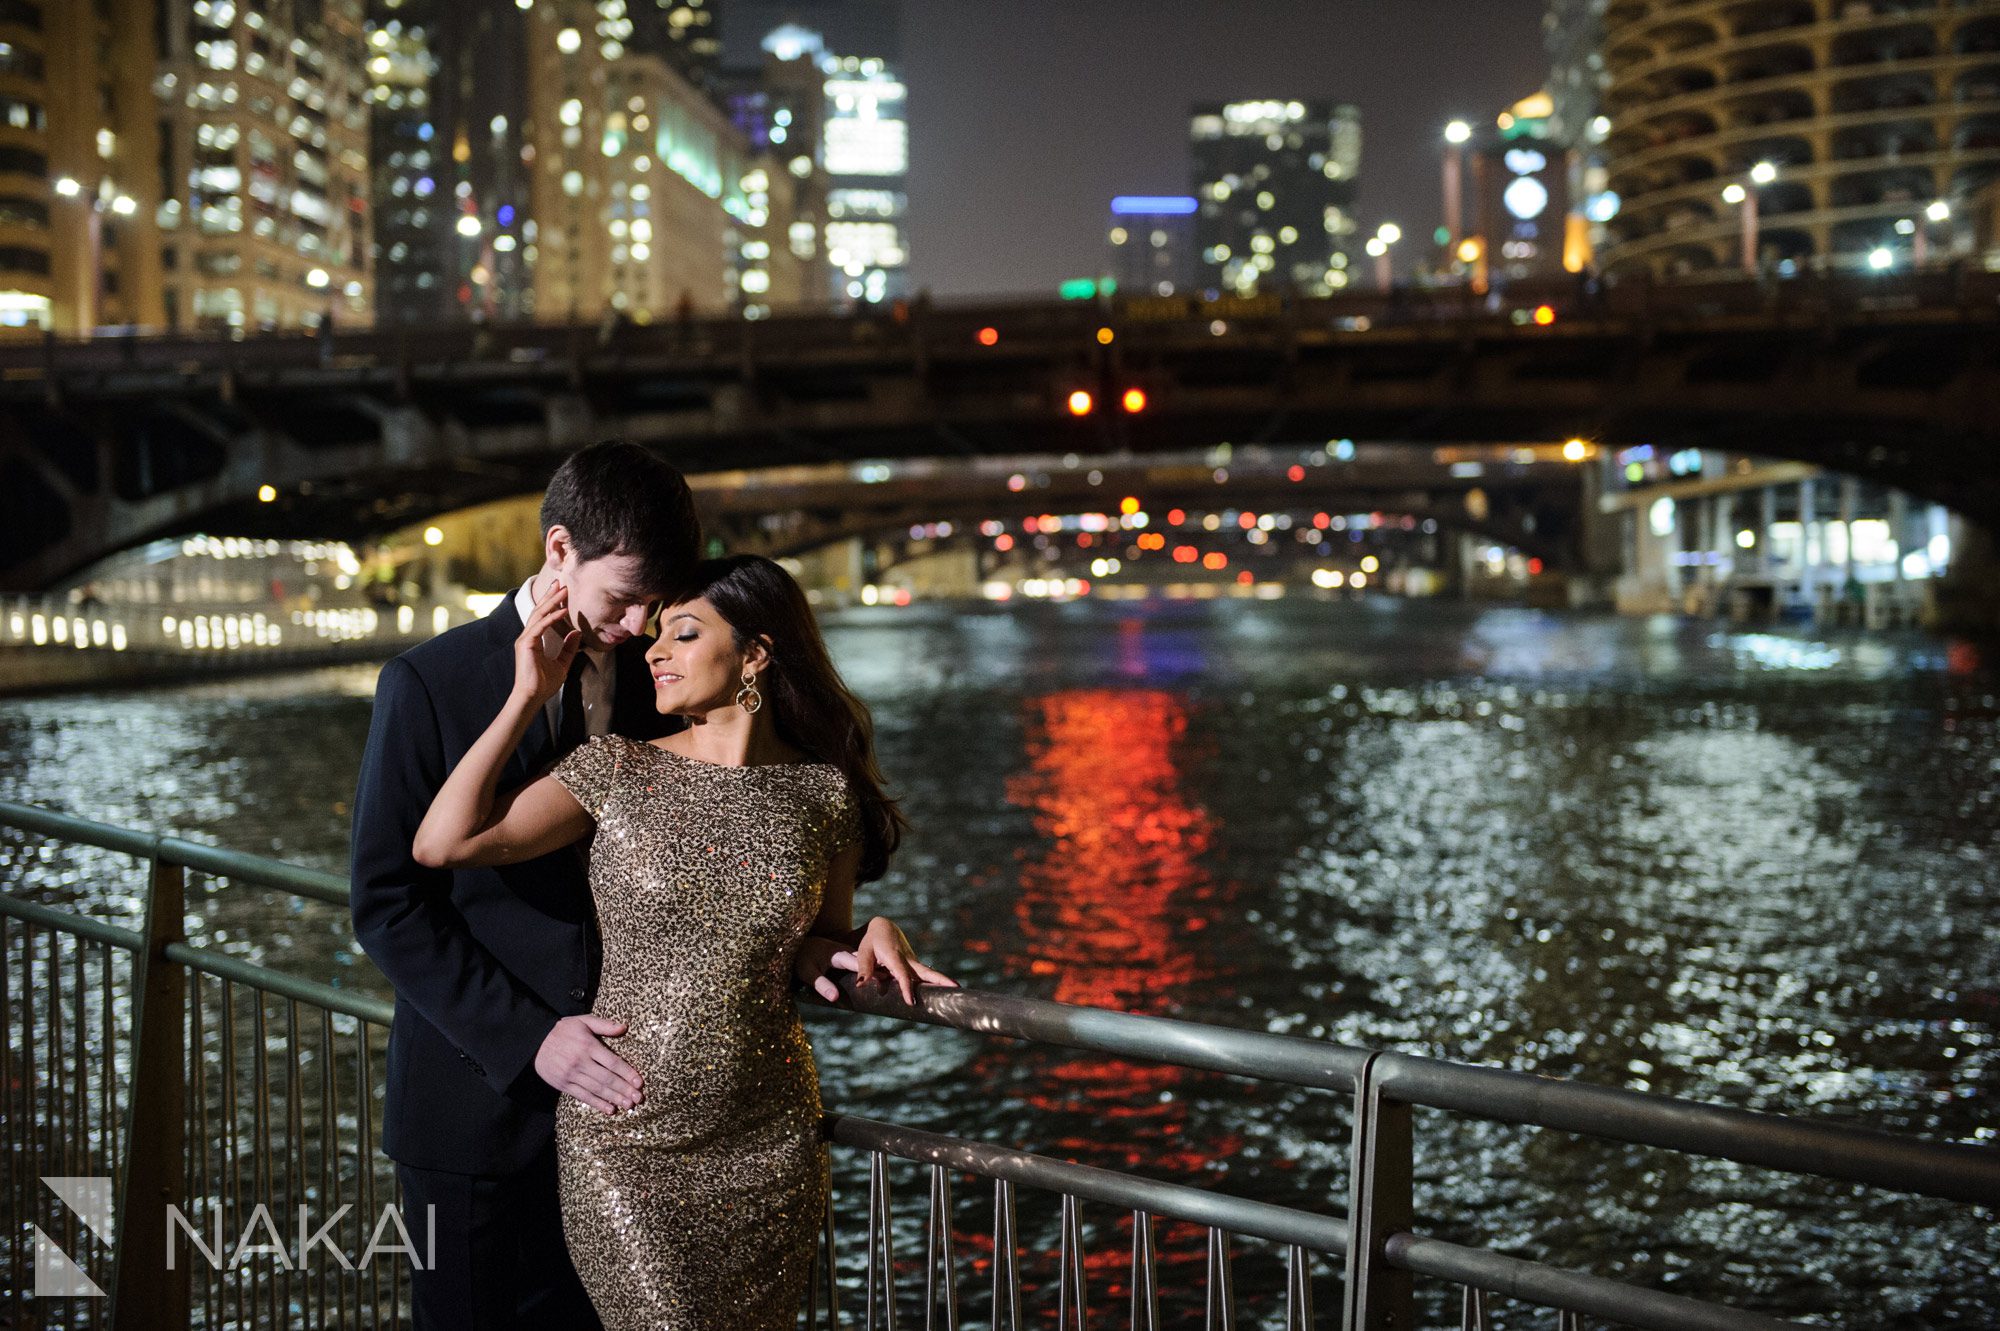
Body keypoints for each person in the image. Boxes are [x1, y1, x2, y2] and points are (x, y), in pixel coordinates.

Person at [411, 553, 954, 1329]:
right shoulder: (616, 768)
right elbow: (442, 842)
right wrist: (528, 693)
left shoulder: (825, 795)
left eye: (684, 634)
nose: (654, 650)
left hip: (768, 1143)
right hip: (625, 1141)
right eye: (656, 635)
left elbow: (817, 946)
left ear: (756, 654)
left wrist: (874, 930)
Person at [349, 441, 701, 1331]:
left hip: (622, 1115)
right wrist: (527, 1038)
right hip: (473, 1113)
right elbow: (385, 902)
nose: (639, 624)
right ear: (558, 551)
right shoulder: (427, 681)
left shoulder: (660, 681)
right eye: (624, 598)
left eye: (657, 602)